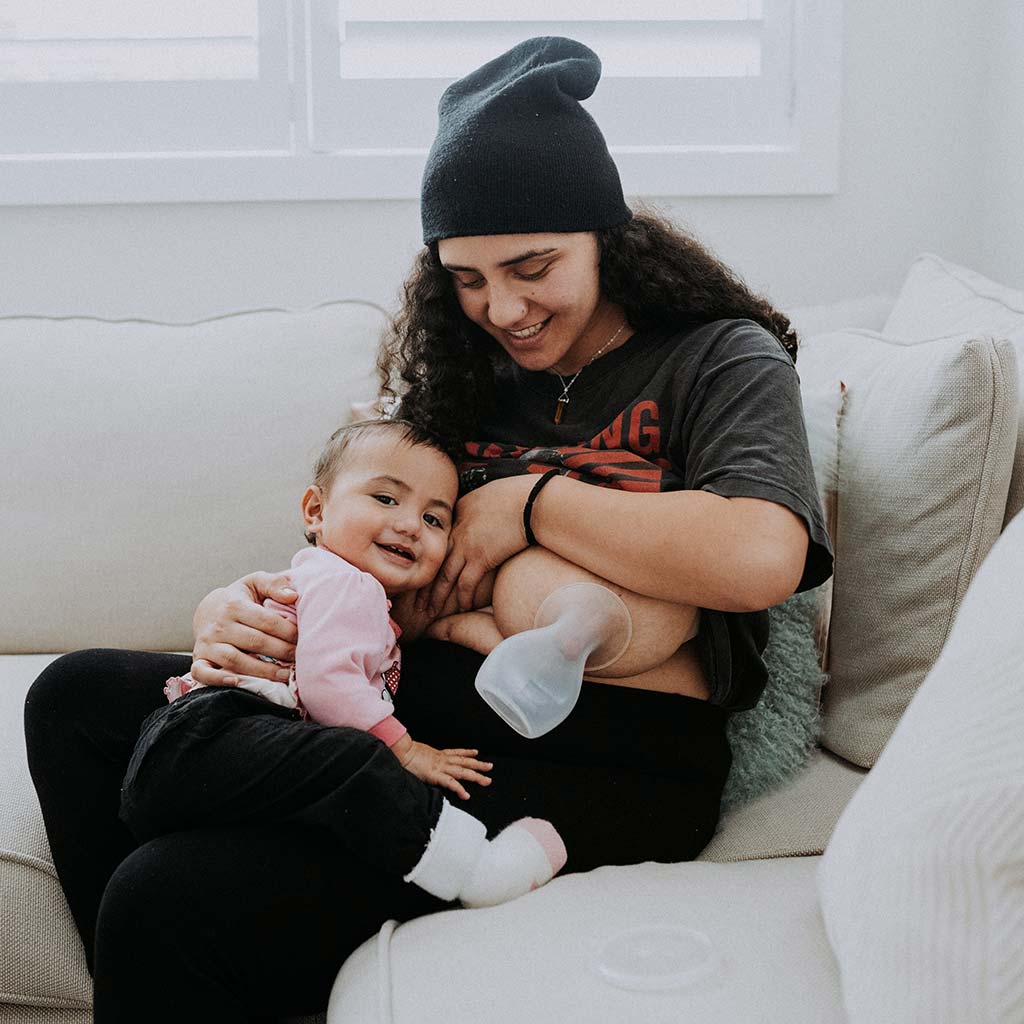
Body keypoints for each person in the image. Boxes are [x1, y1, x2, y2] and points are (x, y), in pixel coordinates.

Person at [24, 35, 833, 1023]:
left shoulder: (716, 358)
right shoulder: (467, 372)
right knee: (71, 700)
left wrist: (528, 499)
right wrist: (236, 607)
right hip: (406, 693)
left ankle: (176, 951)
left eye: (532, 266)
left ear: (605, 236)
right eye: (468, 278)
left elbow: (762, 555)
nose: (503, 307)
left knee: (168, 891)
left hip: (610, 753)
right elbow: (370, 540)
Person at [117, 418, 568, 910]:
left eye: (435, 520)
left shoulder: (335, 584)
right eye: (386, 499)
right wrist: (407, 749)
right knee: (356, 759)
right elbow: (329, 686)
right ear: (315, 510)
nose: (410, 525)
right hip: (212, 734)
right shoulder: (349, 585)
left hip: (198, 746)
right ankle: (472, 868)